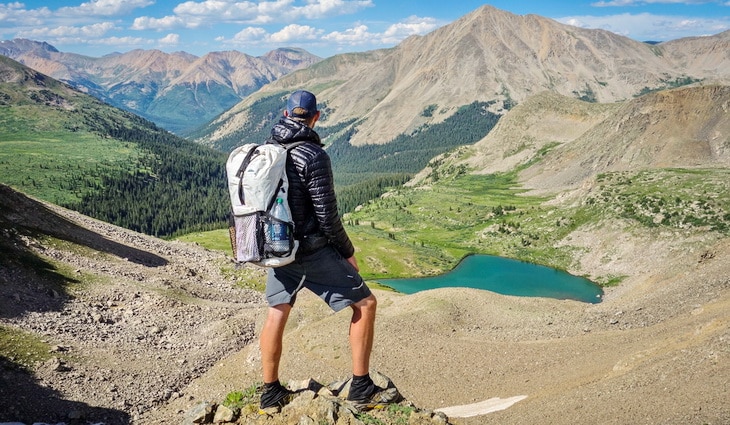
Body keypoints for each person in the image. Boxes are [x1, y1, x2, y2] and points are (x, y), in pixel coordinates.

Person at [258, 90, 393, 411]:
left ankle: (270, 391)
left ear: (286, 113)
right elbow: (327, 216)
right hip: (310, 251)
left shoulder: (267, 148)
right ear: (316, 117)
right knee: (366, 303)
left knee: (277, 310)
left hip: (277, 246)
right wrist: (347, 251)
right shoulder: (314, 155)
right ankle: (361, 387)